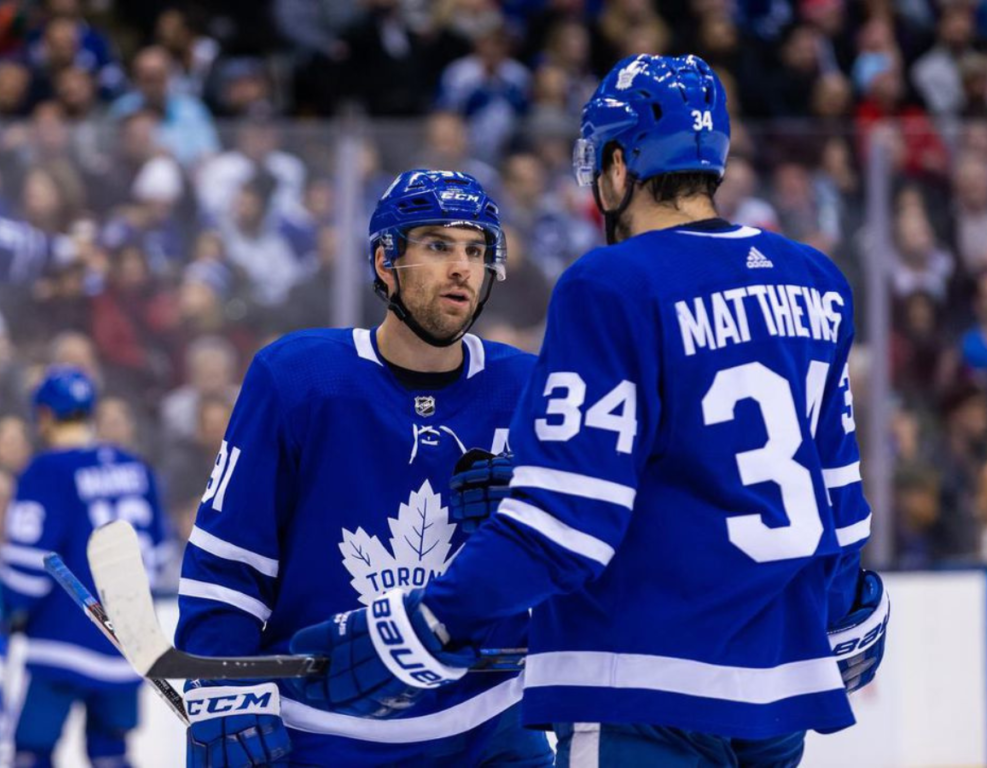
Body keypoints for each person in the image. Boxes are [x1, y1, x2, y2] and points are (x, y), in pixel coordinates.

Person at [291, 55, 889, 767]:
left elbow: (565, 526)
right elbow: (840, 507)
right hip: (779, 695)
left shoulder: (611, 283)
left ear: (616, 164)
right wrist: (847, 610)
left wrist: (423, 623)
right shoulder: (815, 280)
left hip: (641, 687)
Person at [174, 169, 553, 767]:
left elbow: (584, 560)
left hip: (488, 726)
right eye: (437, 246)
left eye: (476, 251)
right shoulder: (296, 378)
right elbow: (229, 557)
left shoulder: (528, 387)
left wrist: (532, 527)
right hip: (323, 732)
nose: (462, 268)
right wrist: (224, 680)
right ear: (385, 261)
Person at [0, 366, 169, 767]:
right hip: (127, 644)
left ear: (43, 417)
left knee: (32, 749)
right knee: (111, 752)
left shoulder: (46, 471)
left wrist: (10, 609)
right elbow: (158, 557)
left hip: (62, 641)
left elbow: (26, 565)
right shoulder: (135, 467)